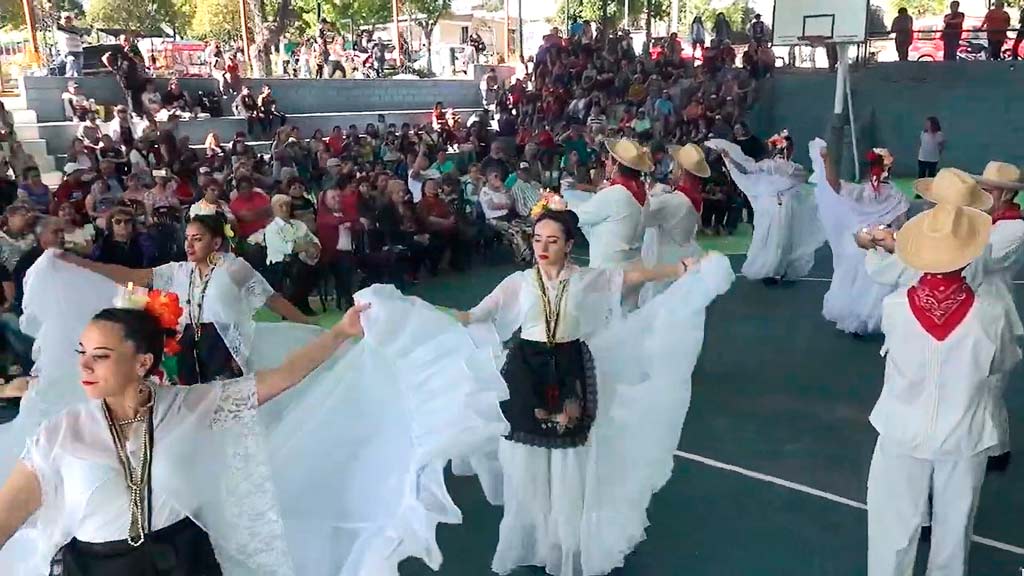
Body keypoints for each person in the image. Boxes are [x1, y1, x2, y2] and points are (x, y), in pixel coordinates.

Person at [454, 203, 735, 576]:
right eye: (538, 239)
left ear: (569, 244)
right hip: (525, 376)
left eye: (553, 240)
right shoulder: (518, 283)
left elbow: (633, 277)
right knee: (525, 458)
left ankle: (568, 535)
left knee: (571, 453)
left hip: (570, 373)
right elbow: (476, 315)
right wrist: (422, 316)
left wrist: (680, 269)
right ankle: (539, 533)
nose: (543, 247)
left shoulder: (587, 279)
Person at [863, 190, 1018, 576]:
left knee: (891, 529)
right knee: (953, 530)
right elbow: (1000, 365)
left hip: (901, 430)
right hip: (965, 434)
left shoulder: (895, 308)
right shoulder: (992, 313)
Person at [58, 213, 314, 387]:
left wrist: (309, 327)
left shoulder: (234, 269)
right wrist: (82, 264)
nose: (189, 245)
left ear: (216, 242)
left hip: (225, 349)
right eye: (187, 238)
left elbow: (273, 300)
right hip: (190, 347)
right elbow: (133, 277)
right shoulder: (179, 271)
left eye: (198, 239)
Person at [809, 138, 908, 335]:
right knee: (876, 286)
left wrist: (827, 160)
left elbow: (833, 186)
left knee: (852, 282)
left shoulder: (859, 192)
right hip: (880, 249)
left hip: (856, 246)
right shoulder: (897, 196)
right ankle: (871, 320)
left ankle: (854, 320)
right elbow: (902, 226)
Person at [711, 135, 825, 284]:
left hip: (785, 207)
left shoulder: (793, 168)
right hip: (769, 208)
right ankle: (768, 270)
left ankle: (782, 268)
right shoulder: (765, 166)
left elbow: (801, 177)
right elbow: (747, 169)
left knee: (784, 239)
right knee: (767, 237)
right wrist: (729, 159)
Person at [570, 139, 650, 271]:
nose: (605, 162)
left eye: (608, 159)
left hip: (608, 273)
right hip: (633, 268)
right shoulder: (644, 194)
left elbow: (576, 217)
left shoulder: (614, 193)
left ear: (617, 166)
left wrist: (557, 207)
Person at [640, 144, 705, 303]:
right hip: (686, 253)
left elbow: (644, 218)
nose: (672, 170)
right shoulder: (694, 197)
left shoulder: (673, 200)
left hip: (668, 260)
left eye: (675, 166)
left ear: (681, 171)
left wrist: (646, 189)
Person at [101, 35, 146, 116]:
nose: (127, 42)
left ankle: (138, 112)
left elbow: (141, 61)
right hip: (124, 75)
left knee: (137, 93)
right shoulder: (117, 49)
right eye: (125, 40)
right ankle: (133, 112)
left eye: (128, 40)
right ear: (121, 41)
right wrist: (114, 69)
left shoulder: (134, 49)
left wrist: (131, 54)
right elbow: (105, 57)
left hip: (134, 74)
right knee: (130, 93)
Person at [55, 12, 87, 77]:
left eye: (69, 19)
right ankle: (69, 80)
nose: (67, 21)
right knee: (71, 60)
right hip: (67, 52)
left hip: (78, 51)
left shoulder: (77, 29)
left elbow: (83, 39)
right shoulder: (59, 27)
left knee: (78, 70)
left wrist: (81, 41)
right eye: (66, 19)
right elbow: (52, 20)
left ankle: (79, 83)